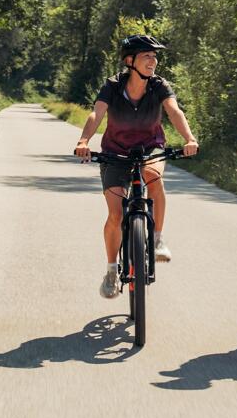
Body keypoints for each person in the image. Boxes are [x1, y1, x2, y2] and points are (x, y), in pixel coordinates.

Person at [74, 35, 199, 299]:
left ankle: (157, 239)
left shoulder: (159, 86)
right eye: (147, 56)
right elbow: (97, 113)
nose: (153, 61)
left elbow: (175, 112)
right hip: (115, 152)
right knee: (116, 215)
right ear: (130, 61)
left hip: (149, 147)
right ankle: (111, 271)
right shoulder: (112, 86)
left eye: (155, 57)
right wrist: (84, 140)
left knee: (153, 176)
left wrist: (189, 138)